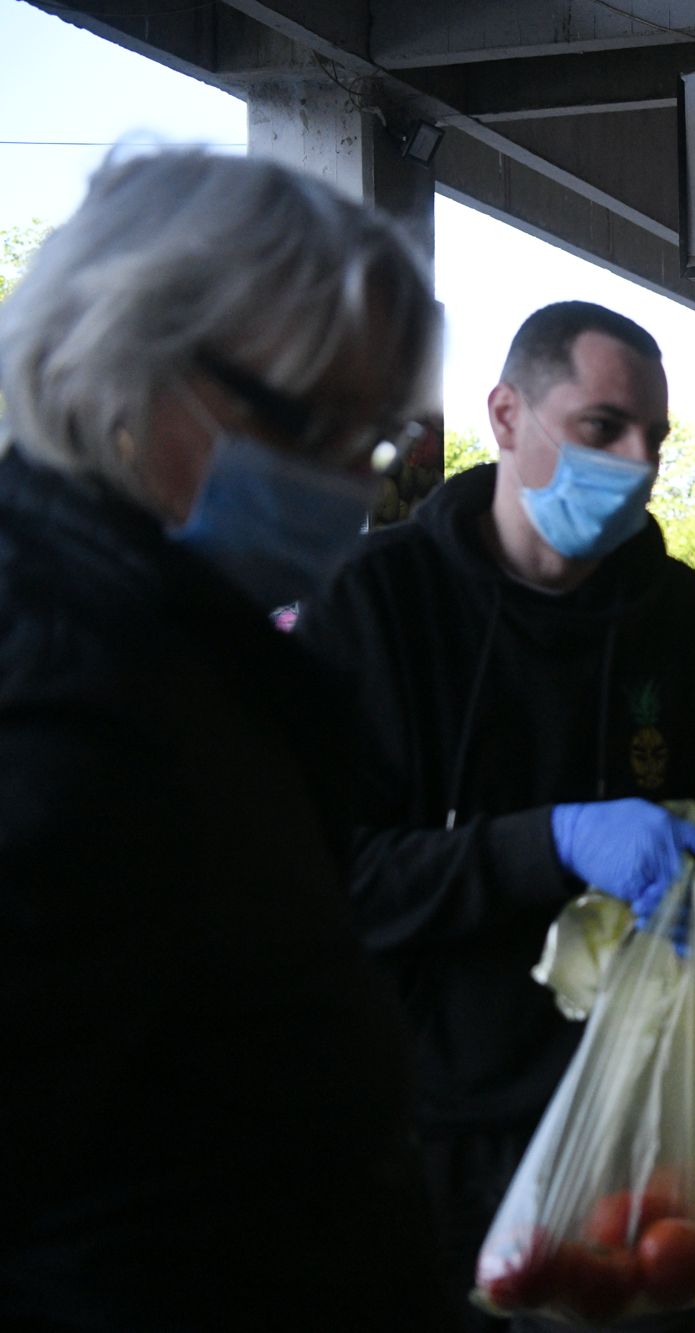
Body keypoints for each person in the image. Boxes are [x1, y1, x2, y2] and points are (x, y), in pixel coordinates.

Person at [0, 152, 451, 1329]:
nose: (352, 486)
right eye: (313, 425)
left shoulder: (188, 658)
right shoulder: (57, 697)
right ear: (129, 367)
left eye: (372, 440)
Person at [298, 301, 695, 1329]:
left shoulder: (676, 615)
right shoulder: (377, 601)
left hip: (629, 1140)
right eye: (603, 427)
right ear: (507, 415)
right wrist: (553, 841)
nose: (638, 462)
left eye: (654, 436)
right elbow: (326, 883)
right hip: (423, 1134)